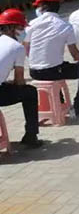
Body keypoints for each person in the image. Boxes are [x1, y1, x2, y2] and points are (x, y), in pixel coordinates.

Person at [25, 0, 79, 101]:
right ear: (58, 5)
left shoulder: (31, 24)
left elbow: (26, 48)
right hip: (53, 71)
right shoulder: (65, 26)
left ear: (41, 7)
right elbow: (75, 55)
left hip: (34, 71)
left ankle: (58, 101)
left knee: (56, 66)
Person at [0, 9, 42, 148]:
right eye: (21, 28)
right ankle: (31, 136)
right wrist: (15, 83)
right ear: (11, 28)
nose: (23, 31)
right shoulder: (18, 48)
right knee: (30, 92)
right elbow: (19, 81)